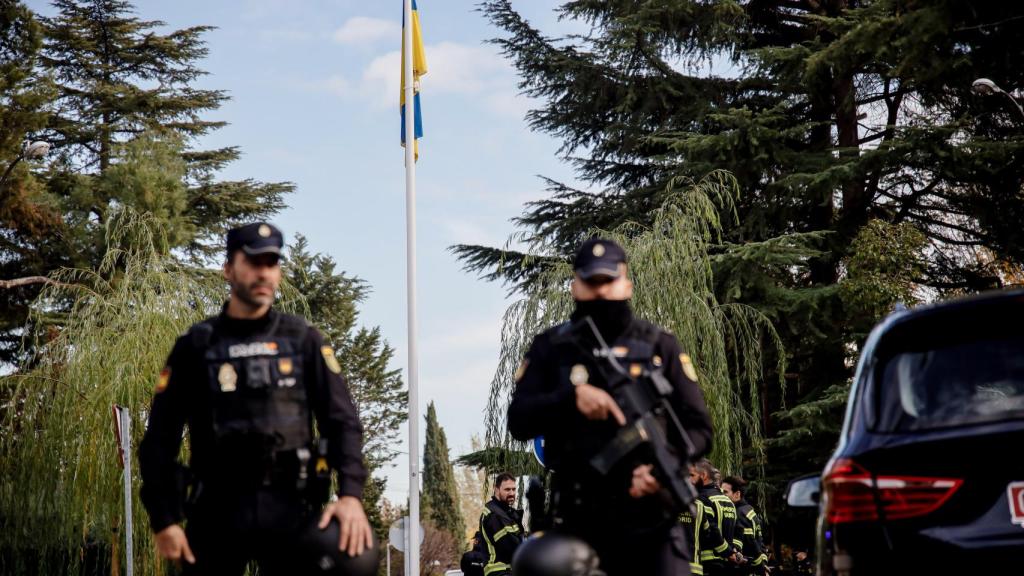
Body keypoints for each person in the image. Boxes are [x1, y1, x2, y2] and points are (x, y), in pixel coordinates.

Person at [138, 222, 375, 575]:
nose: (264, 273)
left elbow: (342, 422)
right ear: (228, 269)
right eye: (253, 262)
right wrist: (164, 518)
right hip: (216, 512)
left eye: (271, 263)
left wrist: (351, 495)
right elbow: (159, 438)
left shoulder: (303, 340)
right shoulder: (196, 346)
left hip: (292, 511)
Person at [507, 238, 714, 576]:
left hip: (652, 520)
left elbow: (700, 429)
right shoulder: (550, 347)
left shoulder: (659, 345)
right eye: (592, 282)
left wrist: (661, 470)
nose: (601, 290)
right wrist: (570, 399)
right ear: (575, 286)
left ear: (626, 283)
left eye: (609, 280)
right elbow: (518, 421)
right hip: (578, 525)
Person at [685, 459, 741, 576]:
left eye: (692, 475)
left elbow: (711, 530)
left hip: (709, 563)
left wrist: (727, 552)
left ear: (703, 475)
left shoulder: (702, 499)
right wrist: (734, 550)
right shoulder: (729, 502)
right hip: (728, 564)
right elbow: (738, 530)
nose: (689, 480)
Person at [480, 473, 526, 576]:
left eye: (514, 489)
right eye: (507, 489)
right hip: (500, 572)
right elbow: (511, 548)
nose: (511, 493)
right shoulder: (494, 514)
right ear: (496, 489)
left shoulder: (506, 513)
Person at [722, 476, 768, 575]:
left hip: (743, 569)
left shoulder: (738, 514)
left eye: (725, 492)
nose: (721, 496)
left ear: (737, 494)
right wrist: (763, 563)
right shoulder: (749, 510)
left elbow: (750, 542)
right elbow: (760, 542)